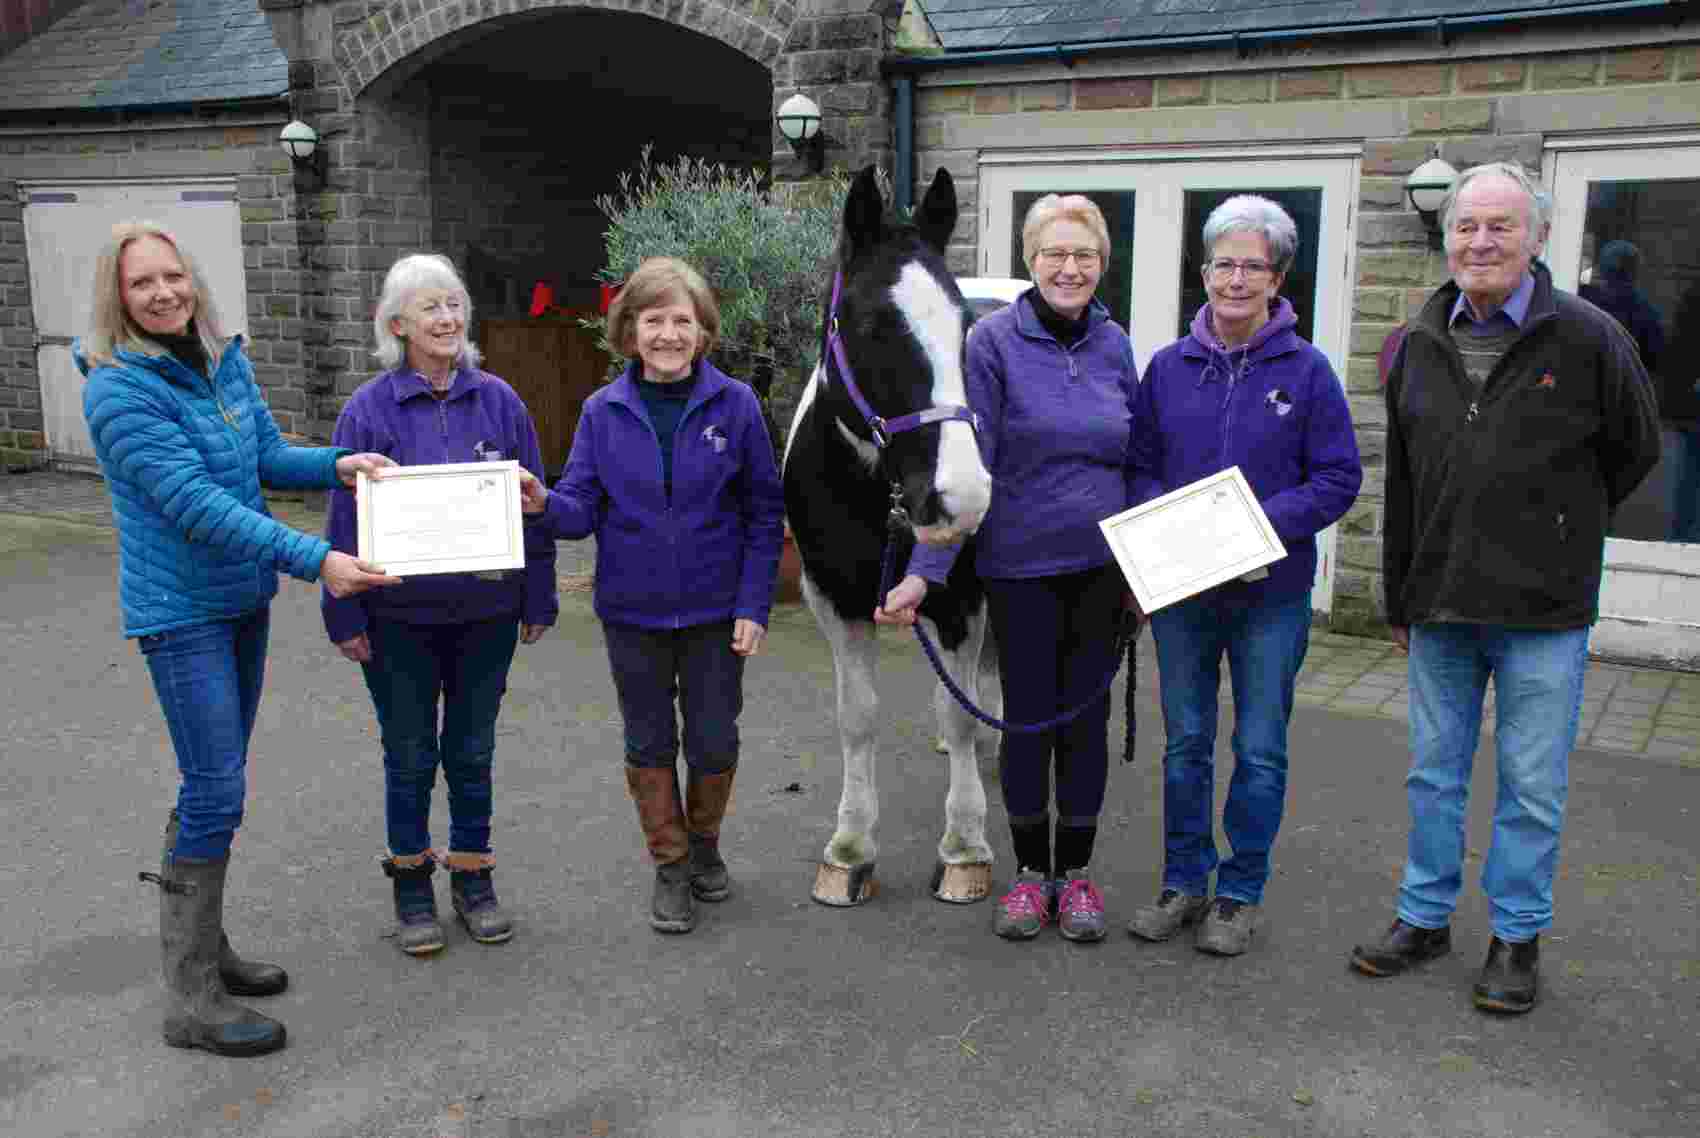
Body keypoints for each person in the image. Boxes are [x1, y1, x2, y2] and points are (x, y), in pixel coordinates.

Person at [79, 221, 399, 1057]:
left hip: (237, 602)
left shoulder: (222, 359)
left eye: (172, 276)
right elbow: (196, 506)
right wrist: (316, 558)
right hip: (179, 612)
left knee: (213, 784)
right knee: (214, 790)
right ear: (117, 297)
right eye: (141, 282)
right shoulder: (117, 389)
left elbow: (262, 457)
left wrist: (339, 463)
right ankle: (189, 995)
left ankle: (206, 953)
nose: (162, 293)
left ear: (193, 281)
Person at [1352, 163, 1660, 1013]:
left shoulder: (1591, 337)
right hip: (1441, 605)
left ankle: (1516, 938)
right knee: (1433, 775)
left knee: (1531, 782)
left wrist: (1558, 524)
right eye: (1465, 227)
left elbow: (1635, 453)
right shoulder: (1418, 341)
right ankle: (1423, 918)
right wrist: (1398, 600)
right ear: (1448, 238)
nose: (1480, 242)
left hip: (1542, 612)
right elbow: (1405, 483)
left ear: (1539, 238)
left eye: (1500, 227)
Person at [878, 194, 1140, 944]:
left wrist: (1150, 570)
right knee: (1029, 722)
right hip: (1020, 569)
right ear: (1031, 261)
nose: (1069, 267)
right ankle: (1030, 874)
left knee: (1085, 724)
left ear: (1101, 264)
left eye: (1084, 254)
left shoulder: (1116, 346)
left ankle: (1078, 876)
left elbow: (1141, 457)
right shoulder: (991, 343)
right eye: (1054, 253)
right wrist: (925, 570)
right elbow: (970, 464)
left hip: (1101, 570)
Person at [1124, 196, 1362, 957]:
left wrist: (1257, 527)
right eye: (1222, 264)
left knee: (1259, 747)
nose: (1234, 279)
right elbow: (1140, 469)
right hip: (1186, 595)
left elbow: (1337, 478)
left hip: (1271, 596)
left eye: (1250, 266)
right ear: (1203, 273)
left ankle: (1239, 891)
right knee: (1186, 743)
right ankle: (1183, 880)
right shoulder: (1167, 368)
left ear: (1278, 277)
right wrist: (1159, 536)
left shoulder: (1309, 370)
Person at [520, 257, 784, 934]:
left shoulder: (738, 406)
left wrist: (754, 606)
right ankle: (670, 866)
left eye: (681, 321)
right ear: (629, 332)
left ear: (702, 332)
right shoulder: (602, 411)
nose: (668, 334)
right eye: (654, 320)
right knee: (648, 740)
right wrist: (543, 501)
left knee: (715, 740)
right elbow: (579, 507)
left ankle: (705, 847)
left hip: (717, 612)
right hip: (631, 612)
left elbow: (763, 516)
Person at [323, 253, 558, 957]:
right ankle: (411, 887)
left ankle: (474, 878)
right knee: (409, 753)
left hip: (484, 616)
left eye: (454, 304)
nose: (448, 318)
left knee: (473, 750)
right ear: (398, 324)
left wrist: (538, 592)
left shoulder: (501, 402)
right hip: (397, 622)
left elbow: (532, 504)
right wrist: (344, 612)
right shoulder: (366, 410)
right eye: (431, 307)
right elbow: (343, 519)